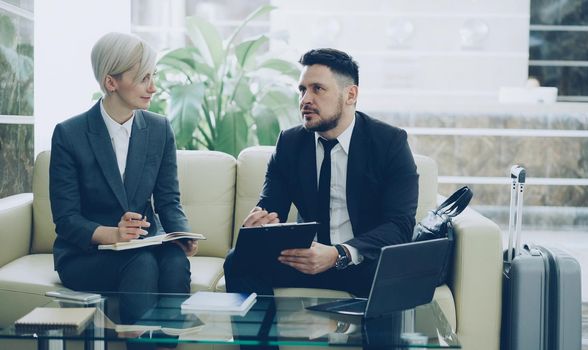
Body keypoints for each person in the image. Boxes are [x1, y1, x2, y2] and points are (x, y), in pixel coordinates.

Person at [224, 48, 419, 297]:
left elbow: (399, 225)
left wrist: (340, 253)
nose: (305, 99)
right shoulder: (289, 143)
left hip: (363, 262)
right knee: (238, 261)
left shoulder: (389, 143)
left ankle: (372, 337)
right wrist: (259, 226)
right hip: (305, 259)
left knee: (395, 274)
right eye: (302, 90)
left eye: (317, 89)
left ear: (351, 94)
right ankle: (264, 337)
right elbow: (271, 208)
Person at [49, 32, 197, 324]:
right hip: (86, 255)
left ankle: (168, 347)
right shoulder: (69, 134)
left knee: (175, 263)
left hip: (143, 244)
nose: (153, 88)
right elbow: (66, 219)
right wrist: (113, 234)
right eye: (143, 78)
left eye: (153, 76)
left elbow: (168, 200)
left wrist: (182, 234)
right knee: (139, 263)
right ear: (111, 82)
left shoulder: (159, 129)